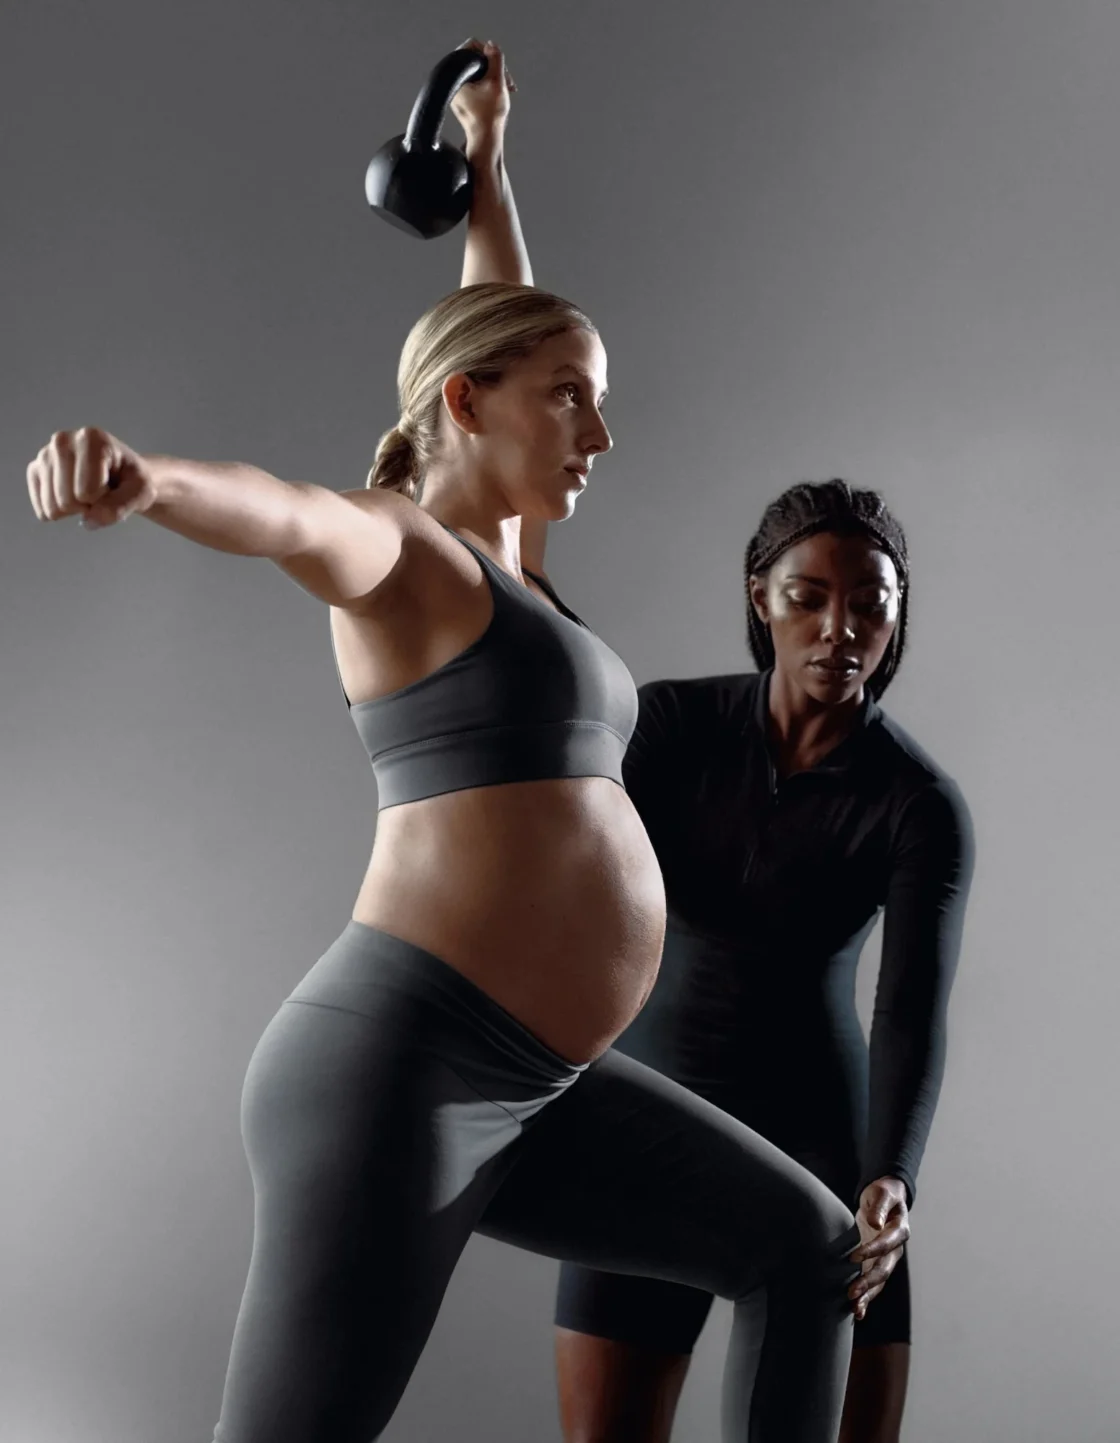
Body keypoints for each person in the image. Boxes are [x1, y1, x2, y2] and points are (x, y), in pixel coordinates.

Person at [24, 51, 872, 1443]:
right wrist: (150, 482)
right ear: (468, 405)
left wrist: (488, 158)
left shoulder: (510, 559)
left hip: (537, 1082)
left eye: (595, 399)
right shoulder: (402, 547)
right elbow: (287, 512)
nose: (599, 431)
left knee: (808, 1248)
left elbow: (501, 318)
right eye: (569, 398)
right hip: (399, 1072)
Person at [445, 42, 975, 1443]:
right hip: (652, 1125)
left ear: (895, 623)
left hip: (832, 1150)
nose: (840, 624)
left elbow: (913, 1008)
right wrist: (490, 171)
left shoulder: (918, 805)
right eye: (810, 595)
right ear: (762, 597)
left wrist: (893, 1175)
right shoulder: (672, 727)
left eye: (870, 604)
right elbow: (515, 563)